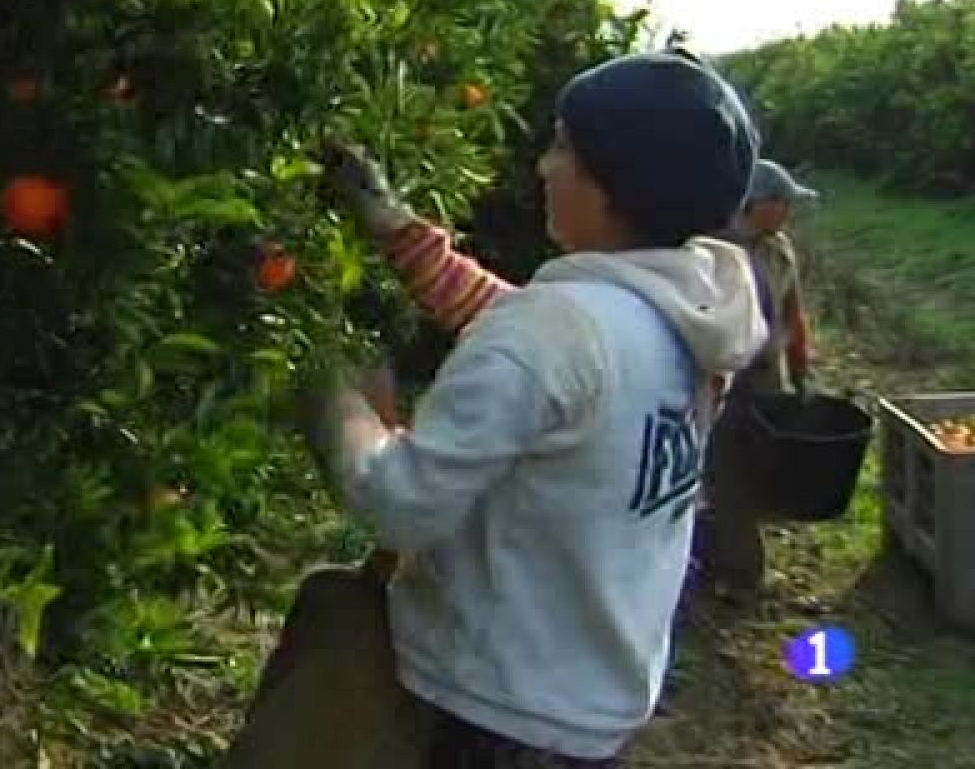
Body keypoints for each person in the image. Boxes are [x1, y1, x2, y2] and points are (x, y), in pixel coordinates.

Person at [222, 50, 770, 769]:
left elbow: (399, 503)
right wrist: (398, 231)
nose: (543, 165)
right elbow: (532, 337)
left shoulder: (555, 331)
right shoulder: (686, 318)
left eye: (563, 148)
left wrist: (340, 403)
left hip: (487, 707)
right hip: (587, 698)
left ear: (611, 188)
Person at [693, 157, 820, 597]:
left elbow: (793, 312)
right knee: (725, 470)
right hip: (725, 375)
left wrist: (801, 368)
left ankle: (733, 553)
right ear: (758, 204)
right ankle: (738, 572)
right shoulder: (711, 250)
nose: (788, 212)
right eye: (783, 203)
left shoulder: (778, 249)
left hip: (769, 375)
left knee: (761, 464)